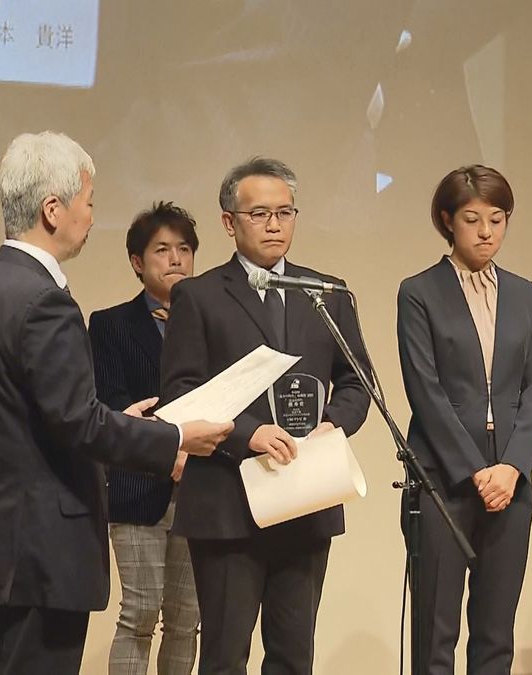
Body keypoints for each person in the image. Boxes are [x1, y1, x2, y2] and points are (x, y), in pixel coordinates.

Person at [0, 131, 232, 675]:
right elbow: (78, 422)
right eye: (89, 202)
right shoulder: (43, 301)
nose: (91, 216)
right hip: (39, 551)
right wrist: (175, 437)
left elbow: (38, 416)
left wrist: (111, 422)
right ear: (52, 210)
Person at [160, 157, 371, 674]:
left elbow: (357, 383)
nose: (275, 224)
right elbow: (181, 390)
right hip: (228, 501)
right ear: (229, 222)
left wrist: (331, 426)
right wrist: (249, 435)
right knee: (225, 655)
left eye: (285, 212)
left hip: (306, 496)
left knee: (294, 655)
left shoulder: (327, 293)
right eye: (260, 214)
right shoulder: (199, 295)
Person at [396, 165, 532, 673]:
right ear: (447, 221)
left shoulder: (526, 294)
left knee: (495, 632)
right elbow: (425, 390)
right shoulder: (418, 291)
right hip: (444, 478)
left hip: (510, 477)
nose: (486, 232)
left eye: (497, 219)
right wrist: (474, 470)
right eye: (472, 219)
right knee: (435, 634)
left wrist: (512, 465)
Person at [89, 202, 201, 675]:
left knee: (186, 619)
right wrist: (165, 451)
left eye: (183, 249)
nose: (175, 259)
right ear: (138, 261)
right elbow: (109, 404)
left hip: (201, 488)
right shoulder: (110, 324)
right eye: (162, 250)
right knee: (139, 614)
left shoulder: (210, 320)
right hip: (137, 487)